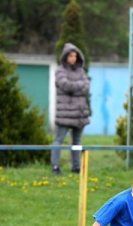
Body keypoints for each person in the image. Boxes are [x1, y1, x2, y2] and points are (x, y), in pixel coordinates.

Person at [51, 43, 90, 175]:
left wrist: (75, 88)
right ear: (65, 57)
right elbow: (66, 86)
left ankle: (76, 166)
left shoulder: (81, 71)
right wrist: (79, 86)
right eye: (70, 55)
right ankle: (55, 166)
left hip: (80, 113)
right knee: (59, 140)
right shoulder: (60, 70)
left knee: (77, 141)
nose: (73, 58)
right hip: (65, 113)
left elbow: (87, 87)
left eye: (75, 55)